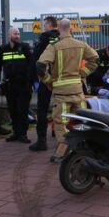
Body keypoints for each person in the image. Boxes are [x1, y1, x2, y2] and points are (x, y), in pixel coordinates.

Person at [37, 18, 99, 163]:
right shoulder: (81, 44)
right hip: (78, 91)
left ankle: (62, 154)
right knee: (83, 121)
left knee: (61, 125)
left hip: (61, 93)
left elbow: (40, 67)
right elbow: (95, 60)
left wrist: (48, 81)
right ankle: (86, 151)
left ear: (58, 29)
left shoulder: (54, 46)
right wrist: (82, 73)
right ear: (71, 29)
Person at [0, 27, 33, 143]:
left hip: (23, 84)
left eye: (18, 34)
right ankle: (16, 133)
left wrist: (34, 81)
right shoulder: (3, 49)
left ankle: (23, 134)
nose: (17, 36)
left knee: (22, 110)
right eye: (15, 34)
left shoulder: (25, 48)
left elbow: (32, 64)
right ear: (9, 35)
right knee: (13, 110)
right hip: (10, 85)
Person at [29, 16, 61, 152]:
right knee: (62, 108)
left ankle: (42, 141)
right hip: (62, 79)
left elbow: (36, 58)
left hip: (46, 78)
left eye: (44, 24)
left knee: (42, 110)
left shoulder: (44, 37)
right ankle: (60, 136)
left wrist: (35, 79)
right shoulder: (63, 37)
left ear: (48, 24)